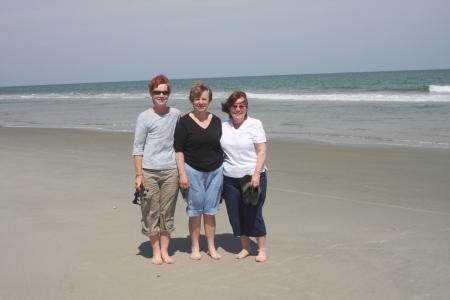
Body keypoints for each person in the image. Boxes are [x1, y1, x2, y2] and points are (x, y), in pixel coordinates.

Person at [133, 74, 181, 265]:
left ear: (169, 93)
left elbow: (183, 141)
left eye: (165, 92)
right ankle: (155, 252)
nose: (161, 95)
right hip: (149, 171)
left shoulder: (176, 114)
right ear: (151, 93)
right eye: (157, 92)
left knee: (167, 212)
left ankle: (165, 251)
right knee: (150, 211)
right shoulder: (144, 117)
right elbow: (138, 148)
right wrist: (139, 175)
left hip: (171, 171)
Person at [174, 81, 223, 260]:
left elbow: (223, 145)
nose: (200, 102)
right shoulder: (184, 122)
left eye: (204, 99)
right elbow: (178, 149)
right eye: (197, 99)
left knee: (210, 211)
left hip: (216, 171)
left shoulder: (217, 120)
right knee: (195, 211)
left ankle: (211, 247)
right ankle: (195, 247)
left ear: (209, 100)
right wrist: (182, 174)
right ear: (191, 100)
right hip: (192, 171)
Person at [220, 91, 268, 262]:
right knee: (236, 214)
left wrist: (257, 173)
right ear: (229, 108)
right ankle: (245, 248)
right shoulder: (224, 126)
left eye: (241, 106)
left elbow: (262, 150)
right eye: (234, 106)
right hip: (229, 178)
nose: (238, 109)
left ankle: (262, 249)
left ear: (246, 107)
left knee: (253, 213)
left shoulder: (255, 124)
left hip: (252, 178)